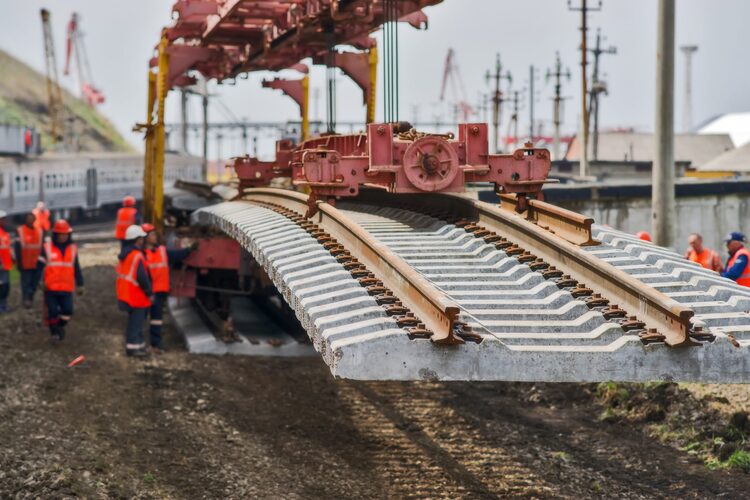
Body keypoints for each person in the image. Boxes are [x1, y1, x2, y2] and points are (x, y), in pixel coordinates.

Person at [141, 223, 195, 353]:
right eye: (152, 234)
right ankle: (140, 343)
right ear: (145, 237)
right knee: (141, 319)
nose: (155, 237)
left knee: (157, 319)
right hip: (146, 292)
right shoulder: (141, 254)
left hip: (159, 291)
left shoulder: (161, 250)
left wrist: (189, 250)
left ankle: (156, 343)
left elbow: (176, 255)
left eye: (154, 234)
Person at [38, 220, 84, 342]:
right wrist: (39, 281)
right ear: (56, 234)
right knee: (52, 311)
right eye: (61, 234)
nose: (63, 236)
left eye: (65, 234)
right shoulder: (47, 247)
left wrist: (80, 283)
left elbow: (76, 267)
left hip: (66, 287)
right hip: (51, 287)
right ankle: (55, 334)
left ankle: (59, 327)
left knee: (68, 311)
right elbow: (39, 267)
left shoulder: (73, 248)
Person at [116, 224, 152, 357]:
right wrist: (149, 293)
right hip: (137, 295)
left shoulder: (125, 254)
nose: (143, 241)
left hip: (126, 293)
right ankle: (133, 348)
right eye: (142, 238)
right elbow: (142, 277)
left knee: (135, 321)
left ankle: (139, 345)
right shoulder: (137, 255)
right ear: (138, 240)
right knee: (136, 323)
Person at [15, 212, 43, 308]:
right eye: (28, 218)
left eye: (32, 218)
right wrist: (19, 262)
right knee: (26, 283)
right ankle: (26, 299)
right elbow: (17, 248)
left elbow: (42, 248)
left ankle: (30, 297)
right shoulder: (20, 231)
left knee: (35, 283)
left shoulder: (39, 231)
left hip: (36, 263)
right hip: (25, 262)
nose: (30, 220)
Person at [0, 210, 13, 313]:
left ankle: (3, 305)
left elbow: (6, 248)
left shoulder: (4, 233)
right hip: (1, 266)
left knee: (5, 287)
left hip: (6, 265)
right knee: (2, 287)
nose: (4, 221)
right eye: (2, 219)